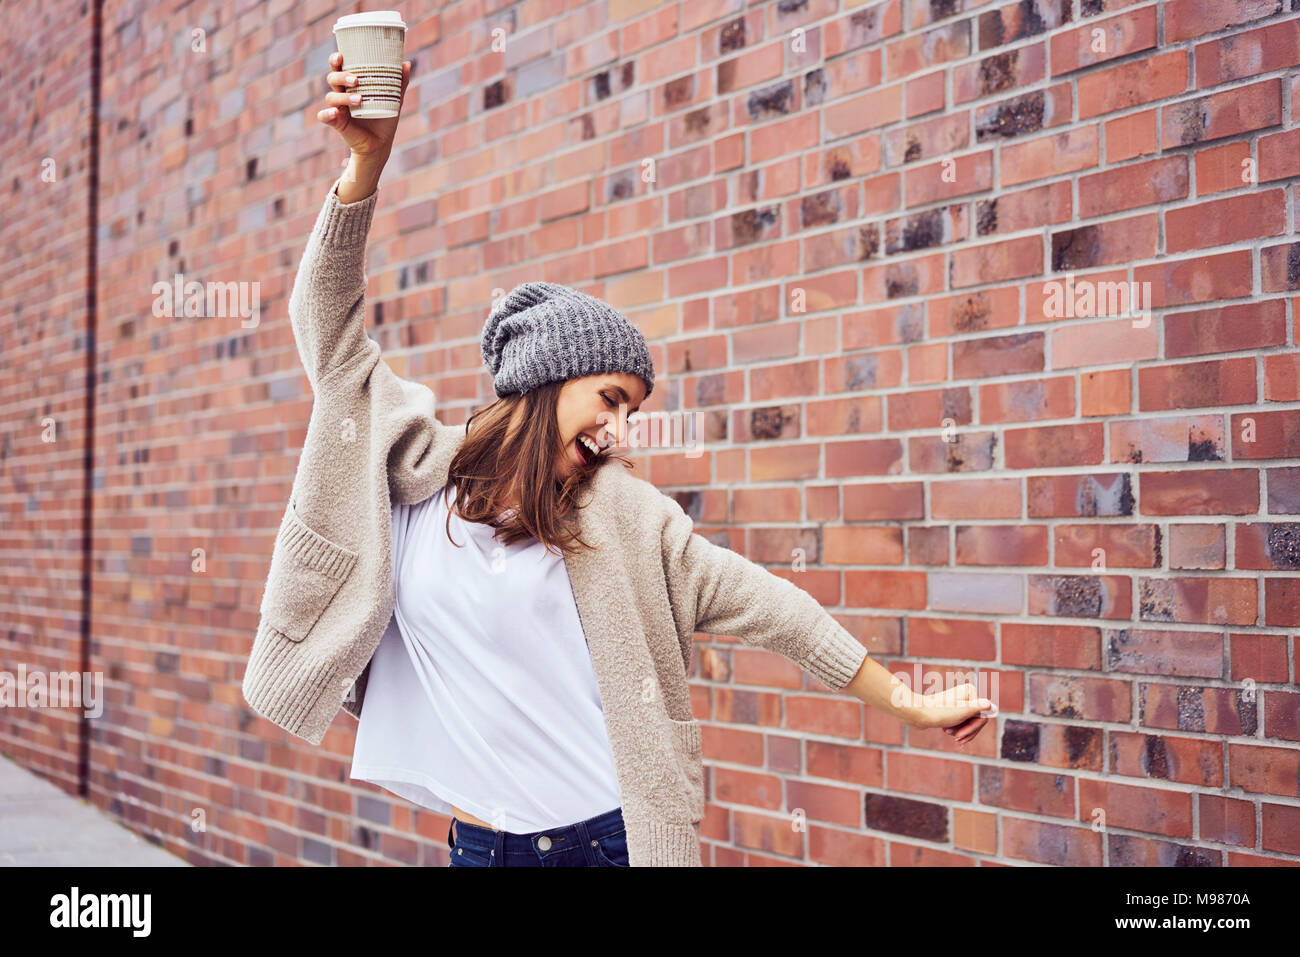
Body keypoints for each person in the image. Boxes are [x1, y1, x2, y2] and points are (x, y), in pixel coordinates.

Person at [275, 53, 992, 868]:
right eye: (610, 398)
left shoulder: (623, 515)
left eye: (634, 411)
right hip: (479, 849)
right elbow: (324, 319)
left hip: (611, 844)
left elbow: (775, 608)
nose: (620, 429)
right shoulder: (409, 477)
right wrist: (365, 163)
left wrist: (902, 700)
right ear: (545, 377)